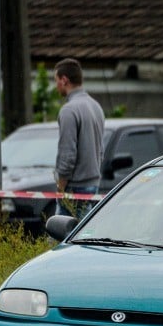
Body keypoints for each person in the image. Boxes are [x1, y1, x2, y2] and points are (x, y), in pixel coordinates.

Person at [53, 57, 104, 215]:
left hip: (74, 187)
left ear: (64, 80)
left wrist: (60, 186)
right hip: (93, 183)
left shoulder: (69, 110)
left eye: (56, 81)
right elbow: (100, 150)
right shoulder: (96, 106)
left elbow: (67, 154)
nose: (56, 86)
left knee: (60, 234)